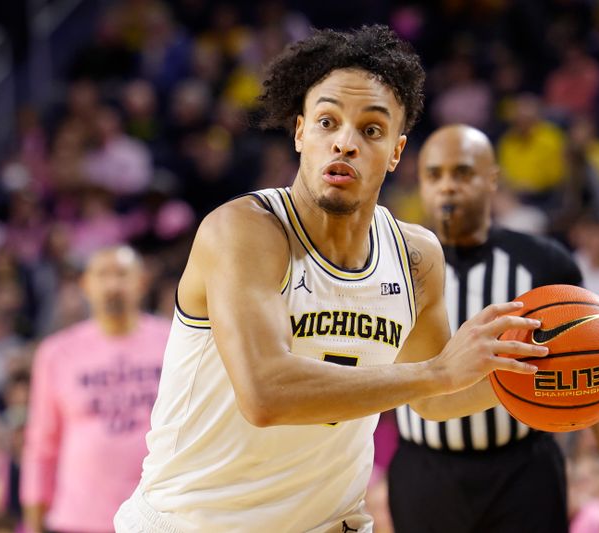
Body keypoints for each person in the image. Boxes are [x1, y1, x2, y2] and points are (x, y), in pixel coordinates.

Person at [114, 26, 548, 533]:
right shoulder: (245, 230)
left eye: (371, 130)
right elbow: (266, 393)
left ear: (396, 152)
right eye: (327, 122)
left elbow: (433, 398)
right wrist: (440, 372)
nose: (345, 142)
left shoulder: (416, 256)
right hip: (194, 522)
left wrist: (533, 372)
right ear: (300, 133)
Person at [389, 124, 599, 532]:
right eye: (434, 175)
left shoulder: (544, 262)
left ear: (492, 179)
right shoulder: (395, 265)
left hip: (524, 469)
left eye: (463, 173)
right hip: (424, 470)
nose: (448, 187)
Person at [21, 246, 169, 533]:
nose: (113, 285)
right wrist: (33, 518)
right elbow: (41, 442)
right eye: (102, 275)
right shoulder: (57, 352)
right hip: (78, 518)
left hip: (158, 515)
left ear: (142, 282)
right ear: (86, 285)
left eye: (122, 274)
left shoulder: (174, 341)